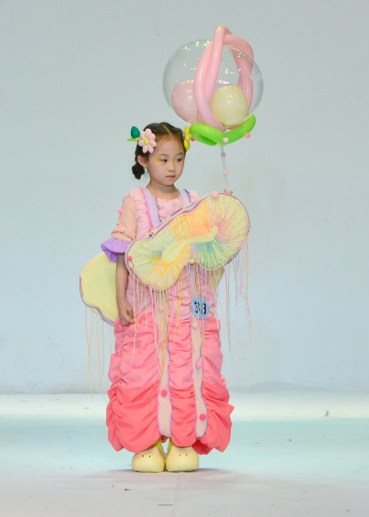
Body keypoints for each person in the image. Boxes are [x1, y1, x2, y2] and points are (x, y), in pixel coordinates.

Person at [100, 122, 236, 473]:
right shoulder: (136, 201)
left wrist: (224, 224)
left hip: (188, 303)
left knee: (188, 364)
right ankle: (146, 442)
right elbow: (124, 256)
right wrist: (121, 298)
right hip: (147, 303)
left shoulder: (192, 201)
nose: (172, 167)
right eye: (163, 159)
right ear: (144, 160)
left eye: (178, 158)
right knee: (146, 365)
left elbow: (207, 253)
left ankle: (182, 439)